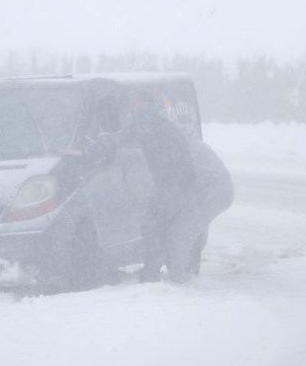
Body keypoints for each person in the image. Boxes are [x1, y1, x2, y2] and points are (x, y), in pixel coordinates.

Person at [82, 89, 198, 283]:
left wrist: (89, 150)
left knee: (154, 227)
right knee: (164, 227)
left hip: (175, 183)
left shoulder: (147, 121)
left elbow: (122, 138)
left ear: (146, 104)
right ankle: (171, 268)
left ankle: (154, 275)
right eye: (131, 104)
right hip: (176, 183)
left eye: (135, 103)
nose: (132, 107)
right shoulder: (153, 121)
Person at [161, 133, 234, 282]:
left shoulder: (179, 146)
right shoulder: (181, 140)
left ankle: (178, 279)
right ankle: (184, 271)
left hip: (213, 191)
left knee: (182, 232)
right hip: (212, 189)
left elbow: (185, 178)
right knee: (186, 229)